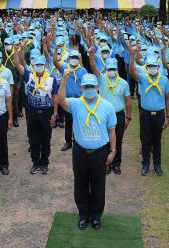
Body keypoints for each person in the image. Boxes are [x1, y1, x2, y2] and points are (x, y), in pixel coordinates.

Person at [58, 72, 117, 230]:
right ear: (81, 88)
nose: (89, 89)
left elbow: (112, 131)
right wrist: (64, 80)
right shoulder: (76, 103)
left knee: (98, 185)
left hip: (100, 152)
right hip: (80, 152)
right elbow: (61, 100)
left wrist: (113, 151)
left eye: (92, 86)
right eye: (86, 86)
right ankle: (83, 215)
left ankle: (96, 216)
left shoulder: (107, 106)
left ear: (98, 87)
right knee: (81, 184)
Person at [14, 46, 58, 175]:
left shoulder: (51, 79)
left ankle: (45, 163)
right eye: (37, 64)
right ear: (34, 65)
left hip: (47, 112)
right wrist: (16, 51)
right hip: (32, 112)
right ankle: (35, 163)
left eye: (41, 65)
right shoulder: (29, 75)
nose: (39, 67)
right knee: (33, 139)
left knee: (46, 139)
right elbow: (17, 64)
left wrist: (55, 113)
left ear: (45, 65)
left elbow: (55, 97)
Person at [89, 53, 132, 175]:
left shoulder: (123, 83)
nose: (111, 71)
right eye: (109, 69)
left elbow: (128, 100)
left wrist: (128, 117)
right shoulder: (102, 79)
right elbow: (93, 67)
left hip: (118, 115)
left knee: (118, 140)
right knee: (104, 140)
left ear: (117, 69)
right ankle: (106, 164)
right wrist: (91, 56)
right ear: (106, 69)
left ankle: (116, 163)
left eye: (113, 69)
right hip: (103, 115)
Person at [130, 53, 169, 176]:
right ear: (146, 67)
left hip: (159, 114)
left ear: (158, 67)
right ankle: (146, 164)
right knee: (146, 141)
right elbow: (132, 71)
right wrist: (132, 55)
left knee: (157, 141)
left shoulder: (164, 79)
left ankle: (157, 164)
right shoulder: (143, 77)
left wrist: (167, 116)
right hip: (145, 114)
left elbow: (168, 99)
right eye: (149, 66)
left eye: (154, 66)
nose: (152, 68)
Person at [54, 49, 87, 152]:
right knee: (69, 122)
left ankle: (79, 141)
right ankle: (68, 142)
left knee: (79, 121)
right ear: (69, 59)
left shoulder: (83, 70)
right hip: (67, 100)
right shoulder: (65, 68)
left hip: (80, 100)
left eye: (76, 58)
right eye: (72, 57)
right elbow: (55, 62)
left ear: (79, 59)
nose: (74, 59)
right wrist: (56, 50)